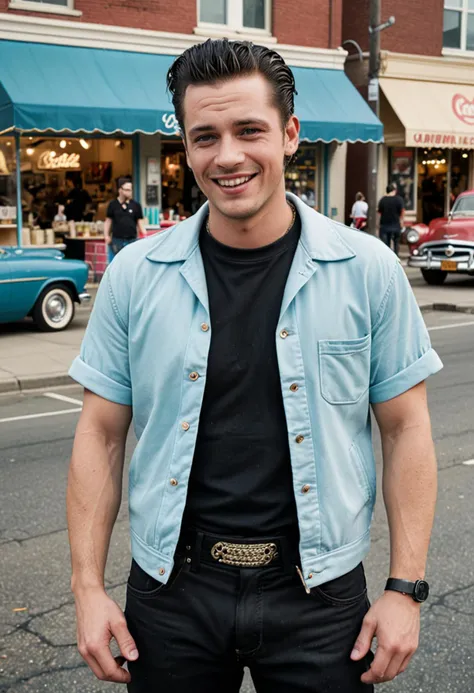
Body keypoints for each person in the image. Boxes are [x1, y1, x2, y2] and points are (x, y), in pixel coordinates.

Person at [67, 39, 442, 693]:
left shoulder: (367, 270)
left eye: (249, 130)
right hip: (170, 591)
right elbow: (99, 432)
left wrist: (404, 589)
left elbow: (406, 429)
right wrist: (87, 588)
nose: (228, 155)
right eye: (205, 135)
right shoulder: (134, 276)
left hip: (320, 597)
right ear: (185, 146)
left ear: (291, 134)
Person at [104, 178, 145, 257]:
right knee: (115, 265)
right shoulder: (113, 205)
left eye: (130, 190)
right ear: (120, 190)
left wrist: (145, 236)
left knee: (132, 264)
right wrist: (106, 236)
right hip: (117, 241)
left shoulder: (136, 205)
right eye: (127, 190)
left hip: (132, 240)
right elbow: (108, 221)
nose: (130, 192)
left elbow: (140, 222)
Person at [377, 183, 405, 255]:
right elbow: (402, 212)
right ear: (394, 190)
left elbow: (379, 213)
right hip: (396, 225)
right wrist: (401, 222)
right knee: (396, 243)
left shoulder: (382, 200)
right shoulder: (399, 199)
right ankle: (396, 257)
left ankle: (388, 258)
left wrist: (378, 224)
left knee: (386, 245)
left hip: (384, 226)